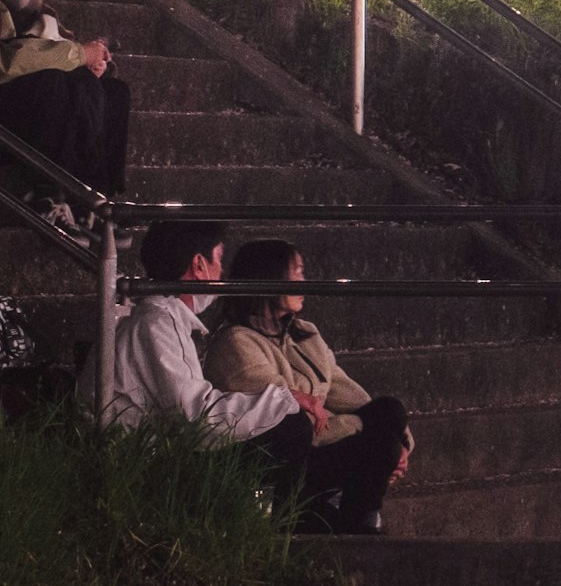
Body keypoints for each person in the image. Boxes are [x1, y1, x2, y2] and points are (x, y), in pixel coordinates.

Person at [82, 220, 407, 532]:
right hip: (147, 468)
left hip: (156, 455)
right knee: (290, 427)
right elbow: (198, 417)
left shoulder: (161, 321)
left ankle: (326, 518)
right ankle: (289, 519)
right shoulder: (159, 324)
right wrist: (287, 399)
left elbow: (341, 388)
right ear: (199, 265)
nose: (222, 274)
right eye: (219, 261)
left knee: (372, 417)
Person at [203, 237, 412, 531]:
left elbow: (345, 390)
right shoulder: (236, 344)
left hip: (318, 441)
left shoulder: (304, 333)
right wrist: (370, 433)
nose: (304, 281)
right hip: (280, 466)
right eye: (297, 272)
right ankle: (361, 527)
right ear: (271, 278)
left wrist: (401, 443)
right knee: (378, 444)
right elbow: (295, 425)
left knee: (390, 411)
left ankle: (362, 523)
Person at [0, 0, 127, 222]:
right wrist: (78, 55)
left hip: (39, 110)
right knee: (53, 82)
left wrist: (93, 66)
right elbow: (11, 62)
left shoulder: (44, 18)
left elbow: (66, 54)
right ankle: (54, 192)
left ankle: (96, 199)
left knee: (113, 91)